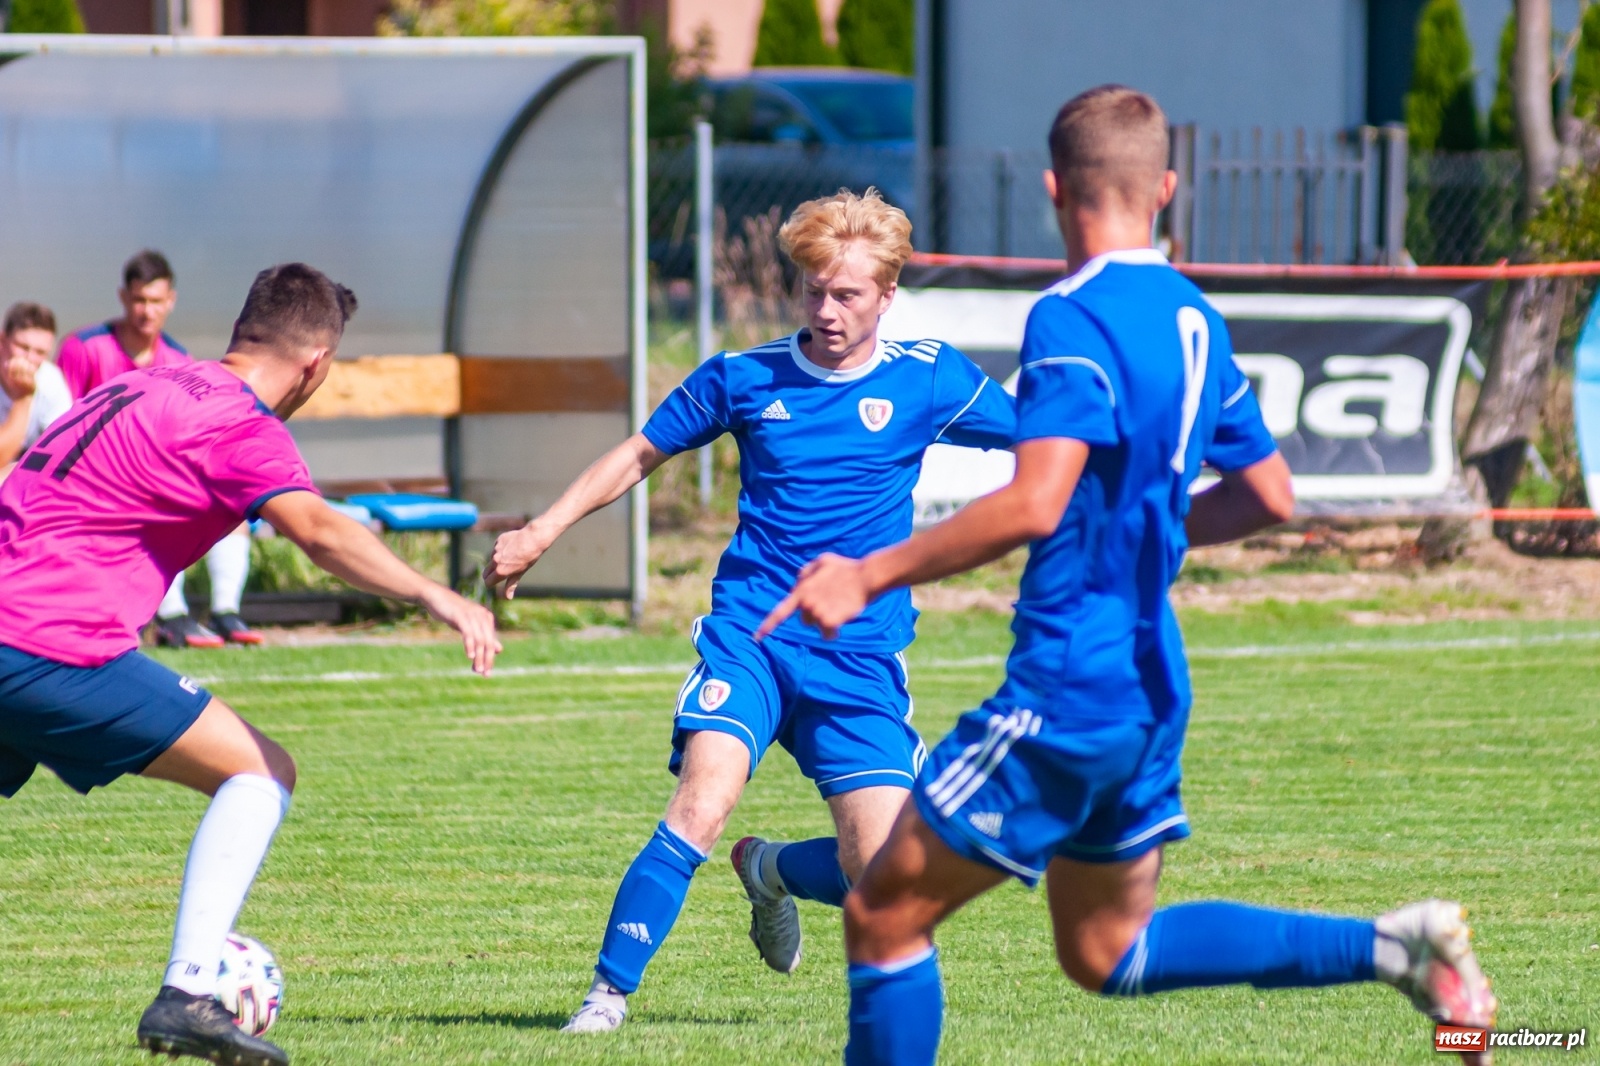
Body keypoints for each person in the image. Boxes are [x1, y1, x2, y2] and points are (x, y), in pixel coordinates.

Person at [761, 87, 1498, 1066]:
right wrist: (1145, 534)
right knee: (1109, 950)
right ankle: (1393, 947)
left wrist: (867, 574)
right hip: (1152, 687)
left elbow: (1034, 502)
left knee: (884, 913)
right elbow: (1270, 494)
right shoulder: (1193, 316)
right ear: (1167, 189)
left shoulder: (1072, 315)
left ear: (1053, 190)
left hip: (1069, 684)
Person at [483, 189, 1016, 1033]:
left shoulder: (930, 378)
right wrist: (542, 529)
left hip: (858, 656)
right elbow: (639, 453)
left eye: (847, 294)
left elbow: (1049, 443)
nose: (827, 310)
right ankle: (605, 998)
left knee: (889, 875)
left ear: (887, 295)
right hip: (753, 639)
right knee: (702, 802)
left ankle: (769, 871)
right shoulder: (744, 377)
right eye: (814, 290)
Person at [0, 263, 501, 1066]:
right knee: (261, 770)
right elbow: (320, 531)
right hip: (50, 641)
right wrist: (437, 595)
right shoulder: (238, 422)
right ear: (317, 363)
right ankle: (188, 994)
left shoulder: (137, 384)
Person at [57, 249, 260, 649]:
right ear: (123, 297)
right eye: (138, 300)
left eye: (155, 301)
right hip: (91, 481)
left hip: (153, 476)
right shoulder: (83, 347)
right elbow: (60, 428)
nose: (146, 311)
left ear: (171, 301)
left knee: (230, 506)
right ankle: (171, 616)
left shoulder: (179, 361)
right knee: (156, 503)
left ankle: (225, 613)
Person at [0, 301, 71, 467]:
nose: (30, 358)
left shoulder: (51, 380)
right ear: (2, 341)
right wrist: (23, 398)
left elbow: (63, 450)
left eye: (40, 352)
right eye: (23, 347)